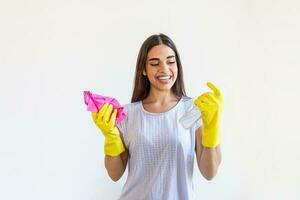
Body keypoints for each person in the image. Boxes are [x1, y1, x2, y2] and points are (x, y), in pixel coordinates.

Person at [91, 33, 223, 200]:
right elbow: (114, 174)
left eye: (170, 61)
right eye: (155, 63)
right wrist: (110, 137)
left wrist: (212, 127)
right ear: (143, 70)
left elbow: (209, 172)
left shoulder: (192, 110)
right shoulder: (127, 114)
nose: (165, 69)